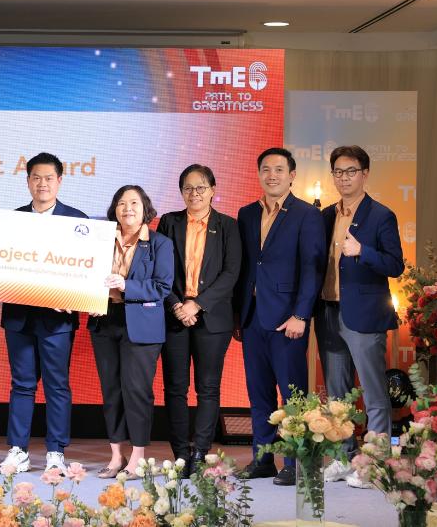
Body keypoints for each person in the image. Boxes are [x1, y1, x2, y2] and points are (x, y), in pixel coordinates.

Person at [236, 147, 326, 486]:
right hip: (252, 317)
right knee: (258, 394)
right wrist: (237, 315)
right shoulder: (246, 214)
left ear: (292, 175)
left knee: (292, 395)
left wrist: (301, 314)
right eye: (265, 169)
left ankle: (294, 461)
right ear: (258, 174)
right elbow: (247, 266)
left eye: (278, 169)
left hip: (288, 319)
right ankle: (263, 459)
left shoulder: (307, 214)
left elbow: (312, 268)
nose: (271, 175)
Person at [317, 145, 404, 488]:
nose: (344, 178)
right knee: (337, 394)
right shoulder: (326, 215)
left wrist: (362, 251)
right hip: (328, 311)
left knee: (373, 392)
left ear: (365, 174)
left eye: (351, 171)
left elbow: (395, 265)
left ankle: (375, 463)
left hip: (364, 315)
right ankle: (343, 457)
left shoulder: (381, 215)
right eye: (338, 172)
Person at [0, 153, 88, 474]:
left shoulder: (78, 221)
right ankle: (18, 450)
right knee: (21, 384)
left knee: (56, 385)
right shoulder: (12, 220)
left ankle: (56, 452)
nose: (42, 184)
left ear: (59, 181)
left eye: (49, 178)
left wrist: (70, 296)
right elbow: (0, 265)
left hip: (57, 320)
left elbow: (86, 272)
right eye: (36, 178)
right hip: (19, 317)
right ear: (27, 182)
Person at [156, 164, 241, 478]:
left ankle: (200, 452)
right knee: (175, 388)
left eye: (201, 187)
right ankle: (181, 454)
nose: (194, 193)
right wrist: (177, 304)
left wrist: (198, 304)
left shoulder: (228, 226)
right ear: (181, 192)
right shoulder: (169, 222)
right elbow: (159, 268)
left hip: (212, 318)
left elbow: (231, 273)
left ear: (213, 190)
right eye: (188, 188)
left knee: (208, 388)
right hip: (175, 315)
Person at [88, 185, 173, 479]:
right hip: (104, 319)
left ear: (145, 208)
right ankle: (116, 456)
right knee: (111, 390)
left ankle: (137, 457)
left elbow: (162, 286)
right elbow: (85, 274)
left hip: (142, 324)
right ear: (114, 209)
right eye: (122, 203)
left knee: (136, 391)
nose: (128, 208)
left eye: (134, 203)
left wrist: (127, 286)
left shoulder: (159, 243)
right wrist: (90, 299)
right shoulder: (100, 239)